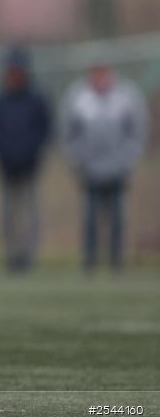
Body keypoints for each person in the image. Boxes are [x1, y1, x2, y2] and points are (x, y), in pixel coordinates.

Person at [60, 64, 148, 273]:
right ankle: (89, 262)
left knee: (118, 219)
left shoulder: (126, 96)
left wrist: (126, 160)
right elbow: (67, 132)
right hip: (89, 170)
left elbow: (137, 130)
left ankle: (116, 262)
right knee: (90, 220)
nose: (100, 78)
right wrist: (78, 159)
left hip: (118, 170)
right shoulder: (78, 97)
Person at [0, 47, 51, 273]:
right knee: (8, 214)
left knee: (29, 212)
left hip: (29, 166)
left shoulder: (36, 100)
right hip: (6, 166)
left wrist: (32, 153)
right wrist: (1, 155)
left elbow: (44, 130)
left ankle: (27, 256)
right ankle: (11, 255)